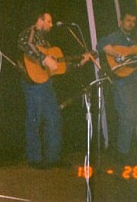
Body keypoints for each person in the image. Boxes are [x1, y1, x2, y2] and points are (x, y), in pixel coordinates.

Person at [18, 11, 90, 169]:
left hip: (46, 83)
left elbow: (58, 67)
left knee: (54, 119)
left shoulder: (46, 43)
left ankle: (53, 158)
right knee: (34, 120)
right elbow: (24, 44)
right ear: (39, 20)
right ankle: (34, 159)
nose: (51, 25)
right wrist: (44, 59)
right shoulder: (31, 32)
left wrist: (79, 63)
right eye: (49, 21)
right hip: (32, 84)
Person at [97, 13, 137, 163]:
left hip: (132, 81)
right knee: (128, 116)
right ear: (120, 22)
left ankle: (123, 151)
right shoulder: (116, 36)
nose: (131, 23)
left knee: (130, 116)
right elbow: (101, 44)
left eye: (133, 21)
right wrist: (118, 55)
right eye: (128, 20)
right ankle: (122, 152)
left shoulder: (133, 42)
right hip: (121, 82)